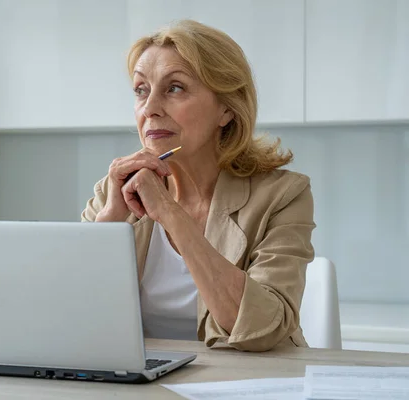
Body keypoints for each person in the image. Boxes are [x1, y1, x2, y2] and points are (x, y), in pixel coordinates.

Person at [81, 19, 315, 352]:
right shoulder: (115, 189)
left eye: (174, 88)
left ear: (226, 109)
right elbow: (70, 313)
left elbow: (261, 328)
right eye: (141, 90)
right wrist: (109, 224)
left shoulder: (282, 196)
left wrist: (171, 214)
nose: (149, 109)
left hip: (248, 382)